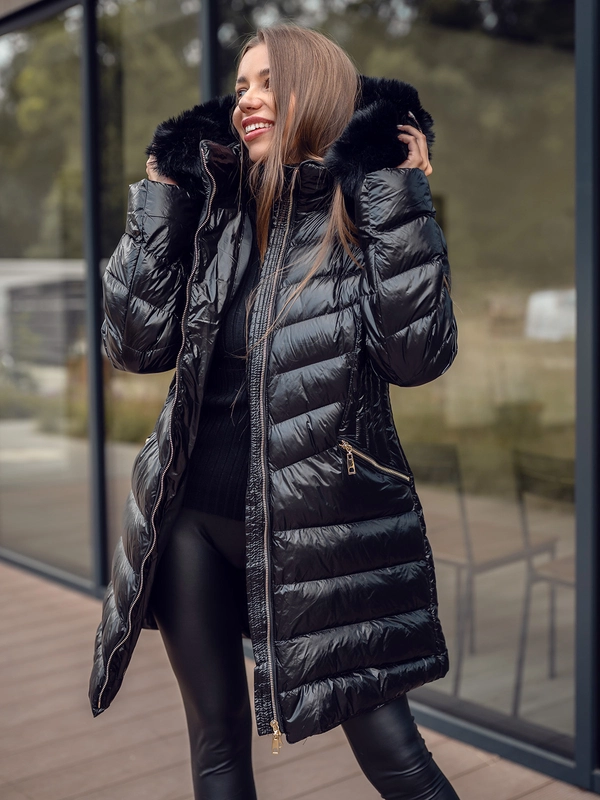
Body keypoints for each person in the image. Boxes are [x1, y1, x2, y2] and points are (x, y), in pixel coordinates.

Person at [89, 23, 459, 800]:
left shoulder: (363, 211)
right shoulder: (218, 210)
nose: (245, 101)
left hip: (323, 530)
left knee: (398, 759)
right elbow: (132, 344)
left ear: (314, 93)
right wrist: (161, 199)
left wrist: (396, 193)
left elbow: (416, 357)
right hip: (188, 522)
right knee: (217, 744)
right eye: (241, 86)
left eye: (267, 83)